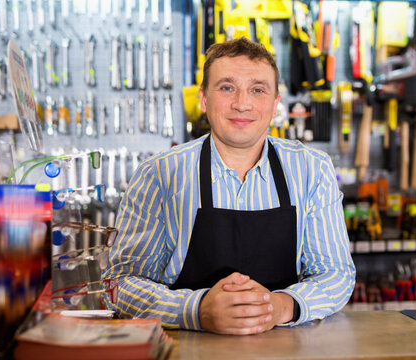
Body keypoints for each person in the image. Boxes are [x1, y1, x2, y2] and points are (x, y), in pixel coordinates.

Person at [102, 37, 356, 335]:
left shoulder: (312, 169)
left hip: (283, 350)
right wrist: (196, 310)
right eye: (226, 88)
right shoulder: (160, 173)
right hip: (186, 348)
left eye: (258, 90)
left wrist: (280, 306)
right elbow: (120, 283)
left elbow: (336, 274)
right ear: (203, 99)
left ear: (275, 104)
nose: (242, 104)